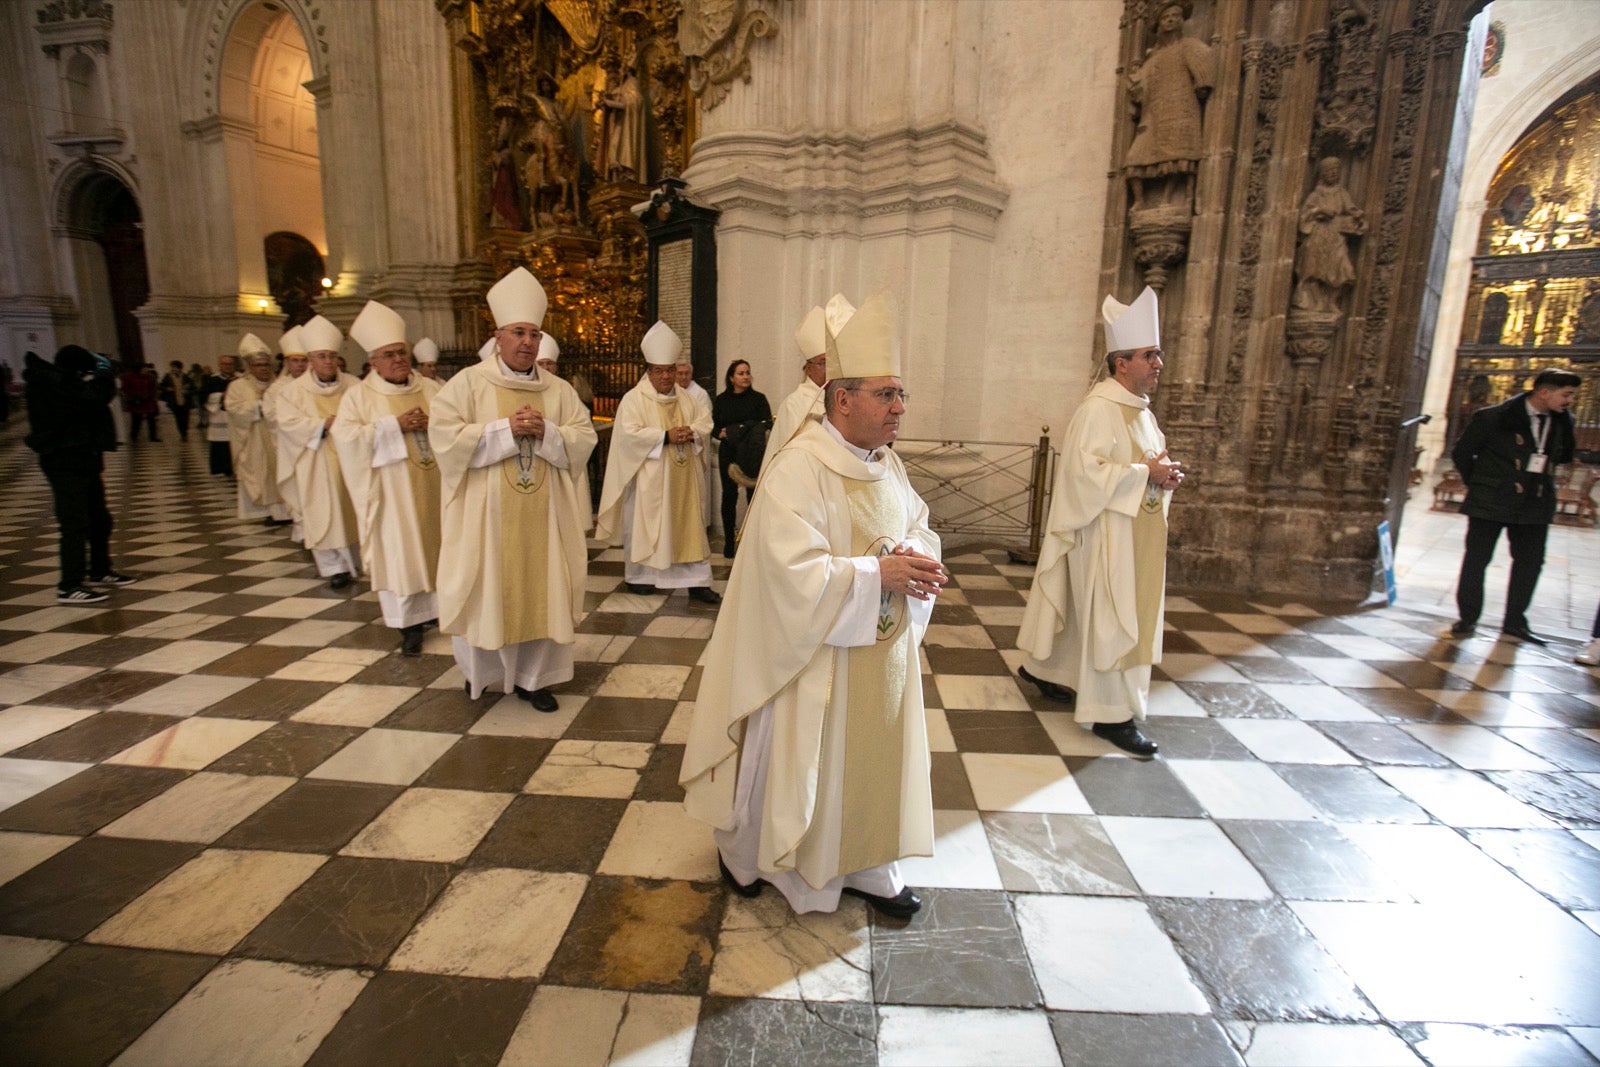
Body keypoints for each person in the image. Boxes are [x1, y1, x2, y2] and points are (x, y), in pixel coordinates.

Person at [681, 291, 946, 920]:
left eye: (901, 394)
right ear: (843, 398)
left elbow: (919, 524)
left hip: (876, 653)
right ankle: (757, 856)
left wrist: (915, 554)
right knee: (799, 757)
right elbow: (787, 575)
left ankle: (868, 862)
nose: (900, 407)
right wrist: (874, 572)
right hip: (810, 663)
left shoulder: (887, 464)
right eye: (887, 395)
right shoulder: (800, 466)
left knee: (874, 754)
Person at [1016, 286, 1183, 758]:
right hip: (1105, 535)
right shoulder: (1098, 409)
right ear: (1121, 362)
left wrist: (1162, 477)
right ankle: (1112, 715)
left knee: (1104, 616)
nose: (1158, 364)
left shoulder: (1142, 415)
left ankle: (1049, 671)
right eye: (1150, 355)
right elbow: (1083, 475)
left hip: (1135, 534)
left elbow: (1145, 463)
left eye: (1159, 354)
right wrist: (1142, 474)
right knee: (1109, 620)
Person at [429, 267, 596, 711]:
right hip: (488, 520)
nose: (527, 341)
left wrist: (549, 434)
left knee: (546, 588)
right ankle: (483, 674)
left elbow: (585, 438)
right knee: (488, 587)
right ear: (498, 336)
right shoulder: (466, 384)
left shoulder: (558, 390)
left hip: (546, 519)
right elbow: (444, 437)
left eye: (535, 334)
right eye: (518, 332)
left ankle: (533, 678)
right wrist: (503, 430)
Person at [334, 300, 440, 655]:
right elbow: (347, 440)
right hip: (391, 497)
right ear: (373, 361)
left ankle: (439, 611)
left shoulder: (430, 390)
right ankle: (408, 625)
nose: (398, 359)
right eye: (389, 354)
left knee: (439, 547)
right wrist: (393, 426)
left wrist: (434, 423)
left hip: (435, 489)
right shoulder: (358, 397)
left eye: (402, 352)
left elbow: (457, 426)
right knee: (401, 555)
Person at [1447, 366, 1580, 644]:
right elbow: (1462, 453)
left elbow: (1565, 456)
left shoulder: (1561, 420)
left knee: (1530, 563)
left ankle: (1515, 621)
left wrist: (1566, 424)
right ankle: (1468, 617)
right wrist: (1481, 483)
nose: (1569, 401)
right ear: (1544, 392)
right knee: (1477, 559)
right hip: (1491, 500)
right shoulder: (1492, 417)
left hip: (1535, 502)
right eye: (1566, 395)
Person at [595, 321, 720, 604]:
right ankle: (641, 577)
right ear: (649, 372)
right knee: (649, 526)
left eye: (670, 371)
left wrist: (693, 433)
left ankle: (697, 583)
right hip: (650, 482)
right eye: (660, 371)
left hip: (684, 481)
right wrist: (664, 436)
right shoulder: (633, 399)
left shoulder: (688, 399)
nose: (666, 377)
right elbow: (627, 434)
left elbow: (704, 421)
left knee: (690, 527)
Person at [23, 346, 136, 604]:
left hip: (84, 459)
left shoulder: (65, 383)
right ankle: (70, 585)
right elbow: (92, 398)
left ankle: (99, 570)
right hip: (64, 461)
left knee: (100, 519)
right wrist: (104, 375)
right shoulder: (49, 385)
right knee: (74, 523)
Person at [275, 314, 361, 589]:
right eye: (321, 356)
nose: (328, 362)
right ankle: (334, 567)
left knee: (356, 508)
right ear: (311, 359)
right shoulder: (292, 392)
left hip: (353, 459)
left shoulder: (354, 386)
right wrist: (323, 424)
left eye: (332, 356)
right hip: (316, 460)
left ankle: (361, 560)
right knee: (322, 512)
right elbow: (287, 424)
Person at [759, 299, 845, 476]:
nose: (829, 370)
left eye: (832, 363)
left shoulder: (842, 399)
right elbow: (788, 453)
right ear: (808, 368)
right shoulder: (794, 404)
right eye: (823, 363)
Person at [225, 338, 291, 523]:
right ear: (249, 367)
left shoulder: (279, 384)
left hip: (277, 436)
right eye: (258, 365)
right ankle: (263, 512)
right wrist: (259, 405)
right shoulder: (238, 386)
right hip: (253, 437)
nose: (263, 368)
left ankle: (285, 511)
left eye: (266, 365)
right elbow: (233, 409)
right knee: (260, 473)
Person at [711, 359, 770, 557]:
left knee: (753, 496)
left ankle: (752, 541)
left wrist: (738, 429)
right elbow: (714, 426)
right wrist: (721, 433)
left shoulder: (759, 399)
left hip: (753, 452)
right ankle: (729, 542)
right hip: (729, 451)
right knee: (729, 496)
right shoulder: (721, 400)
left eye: (747, 373)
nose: (745, 377)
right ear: (731, 378)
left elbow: (766, 422)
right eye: (741, 373)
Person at [536, 332, 593, 527]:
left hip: (563, 461)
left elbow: (583, 428)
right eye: (541, 363)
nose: (546, 368)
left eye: (549, 364)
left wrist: (551, 433)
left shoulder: (565, 390)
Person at [266, 327, 310, 544]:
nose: (300, 365)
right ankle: (302, 530)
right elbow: (272, 416)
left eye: (303, 361)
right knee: (298, 489)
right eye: (295, 361)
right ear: (286, 363)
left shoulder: (315, 385)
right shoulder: (277, 389)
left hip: (315, 446)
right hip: (290, 447)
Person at [677, 359, 715, 530]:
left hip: (693, 448)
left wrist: (690, 431)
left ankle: (698, 526)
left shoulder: (700, 394)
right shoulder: (670, 393)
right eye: (680, 373)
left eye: (687, 373)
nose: (684, 377)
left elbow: (705, 421)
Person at [202, 355, 236, 476]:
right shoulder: (212, 380)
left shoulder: (239, 379)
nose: (227, 367)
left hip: (235, 417)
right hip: (219, 415)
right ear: (220, 365)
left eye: (230, 364)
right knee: (220, 445)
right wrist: (221, 396)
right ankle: (221, 468)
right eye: (225, 364)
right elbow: (204, 397)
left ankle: (234, 468)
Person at [121, 362, 160, 442]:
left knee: (151, 420)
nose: (146, 370)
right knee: (136, 421)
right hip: (135, 402)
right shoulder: (128, 376)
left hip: (148, 401)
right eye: (144, 368)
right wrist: (133, 396)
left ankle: (153, 437)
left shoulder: (150, 377)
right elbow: (125, 388)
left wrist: (149, 396)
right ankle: (134, 436)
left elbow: (153, 388)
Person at [158, 360, 194, 442]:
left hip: (185, 402)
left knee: (185, 418)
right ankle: (182, 434)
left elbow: (193, 388)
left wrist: (187, 391)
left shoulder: (186, 377)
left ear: (180, 368)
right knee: (178, 418)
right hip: (174, 402)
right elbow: (161, 386)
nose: (173, 369)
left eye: (175, 367)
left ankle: (185, 432)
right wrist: (167, 389)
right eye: (172, 367)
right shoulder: (168, 377)